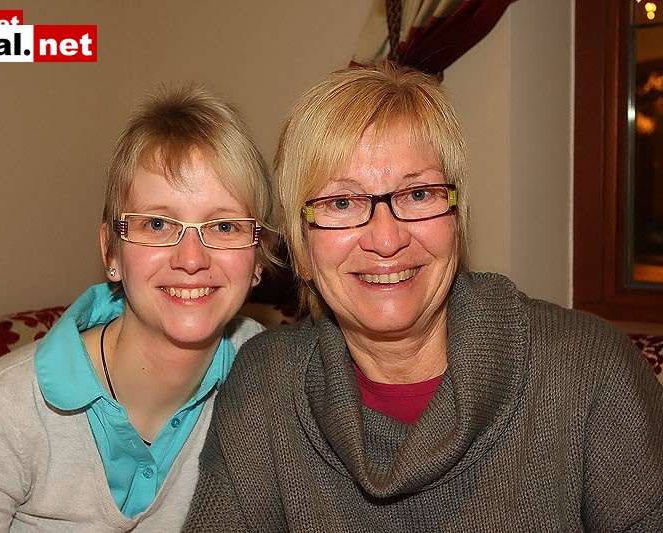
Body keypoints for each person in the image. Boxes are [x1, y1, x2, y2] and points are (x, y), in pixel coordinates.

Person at [183, 63, 663, 531]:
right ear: (302, 250)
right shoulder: (265, 386)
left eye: (418, 195)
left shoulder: (588, 370)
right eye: (342, 203)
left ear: (457, 223)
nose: (386, 239)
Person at [0, 85, 278, 531]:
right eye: (157, 224)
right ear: (111, 251)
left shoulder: (268, 371)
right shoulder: (1, 410)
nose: (191, 259)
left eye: (224, 226)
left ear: (258, 259)